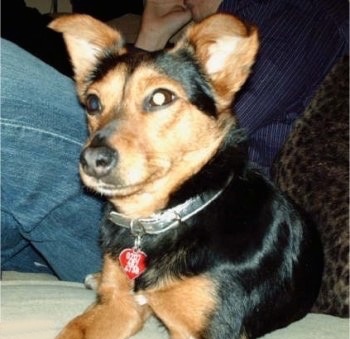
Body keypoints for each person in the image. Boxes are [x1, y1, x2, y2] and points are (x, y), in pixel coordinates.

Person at [1, 0, 348, 282]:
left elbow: (208, 130)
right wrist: (152, 32)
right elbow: (123, 104)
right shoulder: (188, 34)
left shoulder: (293, 12)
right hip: (121, 216)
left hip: (197, 225)